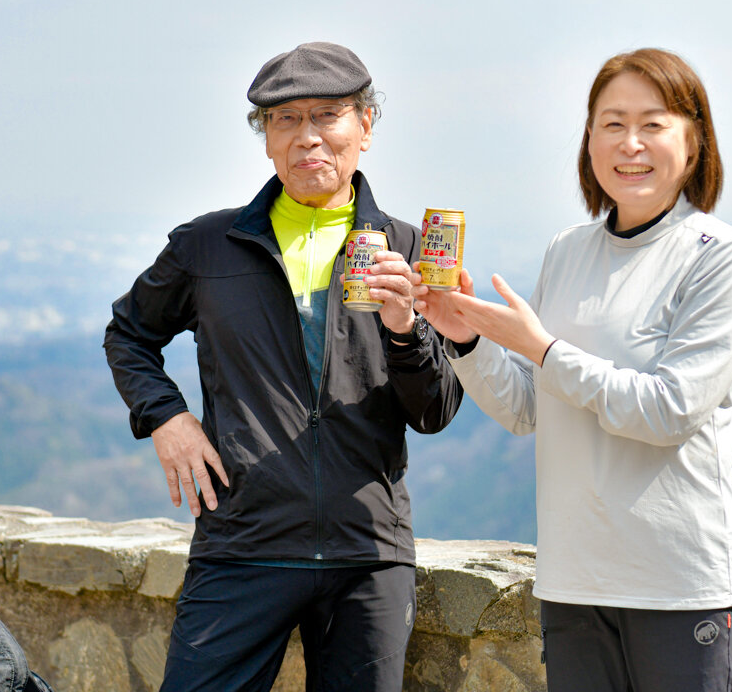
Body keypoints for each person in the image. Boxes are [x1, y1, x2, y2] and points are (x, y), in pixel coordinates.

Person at [104, 41, 463, 692]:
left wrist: (405, 329)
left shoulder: (410, 251)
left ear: (365, 126)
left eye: (327, 114)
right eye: (285, 119)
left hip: (367, 554)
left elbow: (435, 410)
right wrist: (166, 418)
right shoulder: (208, 247)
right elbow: (128, 333)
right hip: (243, 542)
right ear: (266, 137)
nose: (307, 137)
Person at [412, 48, 732, 692]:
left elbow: (668, 412)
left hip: (679, 585)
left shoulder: (723, 257)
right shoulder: (567, 250)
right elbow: (529, 407)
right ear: (589, 140)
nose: (630, 144)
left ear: (694, 143)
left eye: (653, 124)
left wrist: (544, 349)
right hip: (572, 583)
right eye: (612, 124)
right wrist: (466, 340)